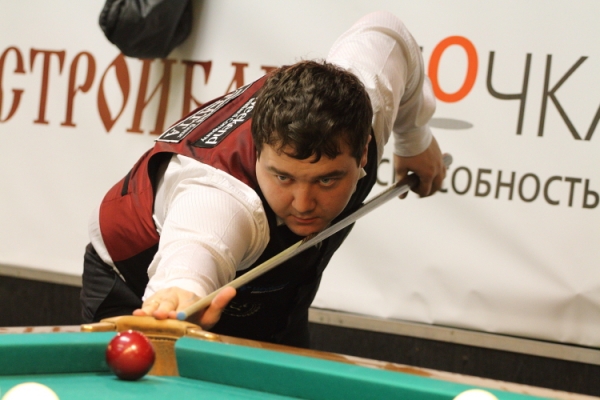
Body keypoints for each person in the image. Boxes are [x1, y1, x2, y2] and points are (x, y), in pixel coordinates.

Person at [81, 11, 447, 348]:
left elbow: (387, 33)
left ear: (363, 151)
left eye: (326, 181)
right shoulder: (221, 199)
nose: (303, 204)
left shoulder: (365, 101)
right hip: (133, 283)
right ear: (258, 149)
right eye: (282, 177)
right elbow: (195, 252)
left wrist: (415, 139)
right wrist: (180, 295)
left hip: (273, 295)